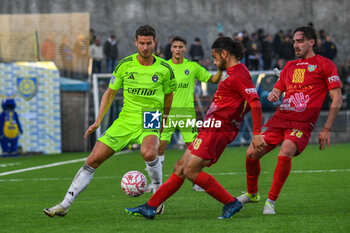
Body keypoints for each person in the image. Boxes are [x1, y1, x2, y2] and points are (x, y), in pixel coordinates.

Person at [126, 36, 266, 220]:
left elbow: (255, 103)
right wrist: (237, 114)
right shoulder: (232, 73)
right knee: (179, 167)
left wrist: (256, 133)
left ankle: (231, 202)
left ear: (224, 54)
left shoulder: (238, 73)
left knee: (190, 171)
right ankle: (150, 207)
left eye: (215, 58)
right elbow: (245, 104)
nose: (215, 62)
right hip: (209, 127)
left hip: (217, 130)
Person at [44, 25, 177, 217]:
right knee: (93, 159)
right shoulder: (124, 65)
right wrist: (98, 121)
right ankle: (64, 204)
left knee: (148, 153)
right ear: (136, 43)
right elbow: (110, 93)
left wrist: (163, 119)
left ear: (154, 43)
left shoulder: (164, 68)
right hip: (125, 119)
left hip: (151, 117)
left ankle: (157, 196)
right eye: (142, 43)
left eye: (149, 43)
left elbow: (169, 96)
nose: (145, 47)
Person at [237, 26, 342, 215]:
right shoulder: (289, 66)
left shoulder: (325, 64)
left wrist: (326, 128)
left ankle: (270, 202)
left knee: (287, 149)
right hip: (280, 120)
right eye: (294, 41)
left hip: (301, 123)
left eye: (300, 41)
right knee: (252, 152)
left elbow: (337, 97)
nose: (295, 45)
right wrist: (273, 94)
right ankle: (252, 194)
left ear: (312, 42)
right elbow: (278, 89)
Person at [156, 36, 223, 192]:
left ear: (185, 49)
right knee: (160, 147)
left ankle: (196, 180)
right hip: (168, 113)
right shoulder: (163, 67)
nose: (178, 49)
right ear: (171, 49)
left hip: (187, 114)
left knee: (193, 149)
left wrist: (221, 68)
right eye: (175, 46)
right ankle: (156, 183)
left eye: (181, 46)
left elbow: (212, 80)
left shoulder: (192, 67)